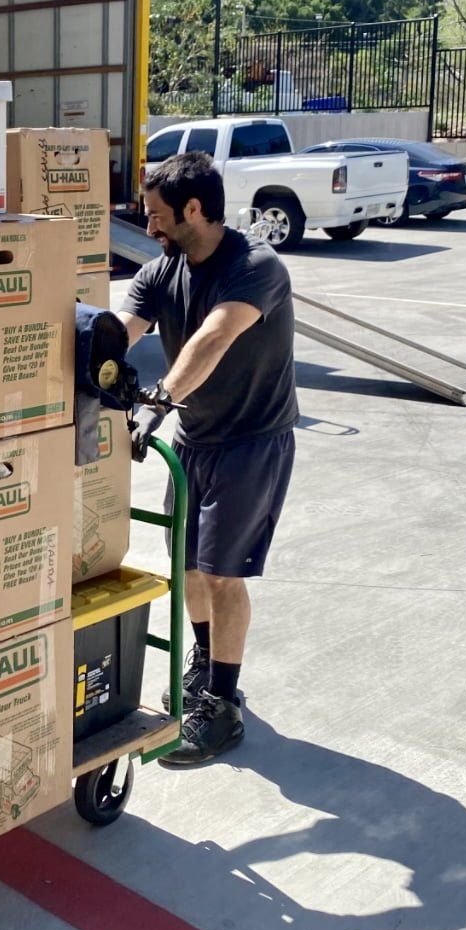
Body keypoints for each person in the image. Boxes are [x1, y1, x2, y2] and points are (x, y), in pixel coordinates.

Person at [119, 151, 298, 768]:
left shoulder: (255, 267)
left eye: (158, 216)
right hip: (197, 440)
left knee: (223, 575)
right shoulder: (163, 268)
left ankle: (223, 707)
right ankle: (207, 665)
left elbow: (215, 336)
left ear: (194, 209)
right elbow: (124, 330)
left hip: (251, 442)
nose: (150, 229)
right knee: (189, 568)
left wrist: (158, 402)